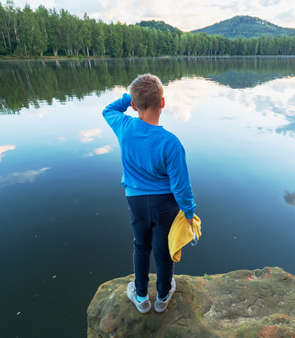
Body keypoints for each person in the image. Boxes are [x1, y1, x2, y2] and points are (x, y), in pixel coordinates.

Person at [102, 73, 196, 314]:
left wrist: (130, 96)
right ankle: (163, 296)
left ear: (134, 106)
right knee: (164, 248)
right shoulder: (171, 143)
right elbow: (181, 186)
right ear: (162, 103)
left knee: (141, 245)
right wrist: (188, 213)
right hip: (166, 203)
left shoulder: (124, 127)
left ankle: (141, 297)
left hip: (136, 201)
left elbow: (108, 110)